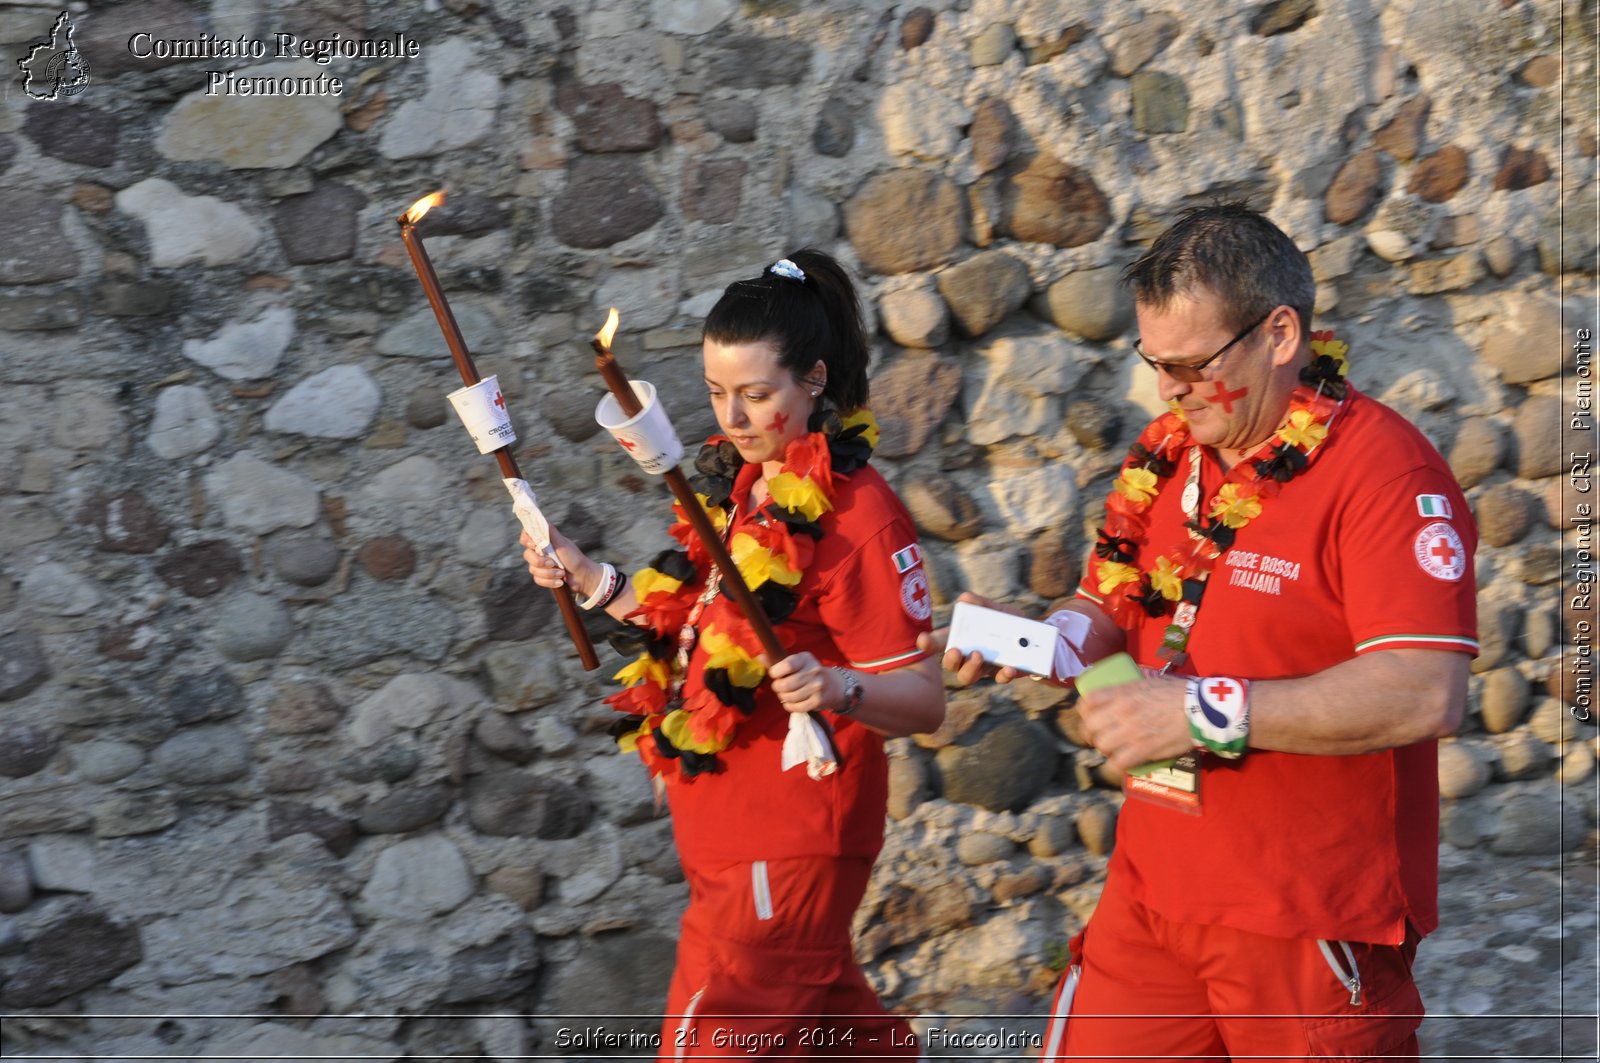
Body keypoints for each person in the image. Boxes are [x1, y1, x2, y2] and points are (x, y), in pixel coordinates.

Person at [925, 204, 1479, 1060]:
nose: (1169, 389)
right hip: (1155, 892)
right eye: (1156, 363)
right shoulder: (1168, 457)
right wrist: (1053, 639)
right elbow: (1110, 601)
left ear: (1280, 332)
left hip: (1304, 919)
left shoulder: (1385, 472)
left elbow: (1423, 689)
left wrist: (1198, 711)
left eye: (1190, 363)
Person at [523, 248, 945, 1060]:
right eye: (718, 395)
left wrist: (835, 686)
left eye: (756, 395)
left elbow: (923, 702)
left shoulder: (860, 516)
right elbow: (697, 625)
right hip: (728, 841)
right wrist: (589, 577)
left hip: (785, 844)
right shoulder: (744, 489)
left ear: (814, 381)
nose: (734, 420)